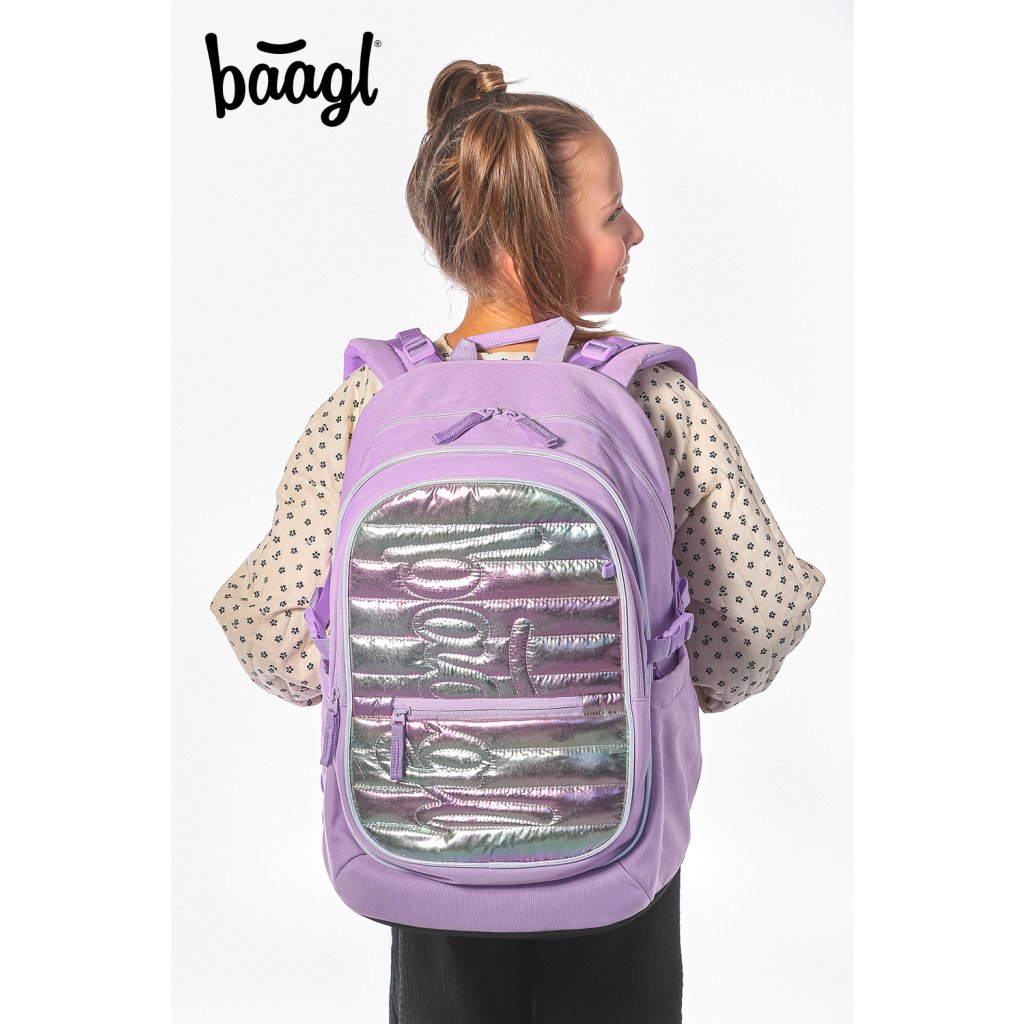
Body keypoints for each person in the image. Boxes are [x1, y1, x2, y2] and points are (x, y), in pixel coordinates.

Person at [210, 59, 827, 1024]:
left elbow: (266, 623)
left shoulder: (370, 404)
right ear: (519, 242)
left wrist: (381, 673)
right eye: (612, 214)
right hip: (613, 830)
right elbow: (761, 612)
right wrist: (667, 681)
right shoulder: (649, 398)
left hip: (422, 832)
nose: (634, 233)